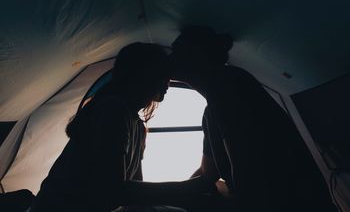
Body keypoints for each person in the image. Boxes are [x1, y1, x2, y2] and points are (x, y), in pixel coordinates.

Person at [30, 43, 215, 212]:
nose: (168, 80)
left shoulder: (137, 125)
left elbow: (133, 195)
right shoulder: (113, 110)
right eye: (162, 73)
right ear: (145, 74)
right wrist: (186, 190)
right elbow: (113, 192)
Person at [170, 26, 336, 211]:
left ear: (197, 54)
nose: (170, 57)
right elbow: (207, 174)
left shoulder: (228, 85)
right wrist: (148, 193)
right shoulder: (212, 109)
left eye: (176, 50)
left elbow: (250, 180)